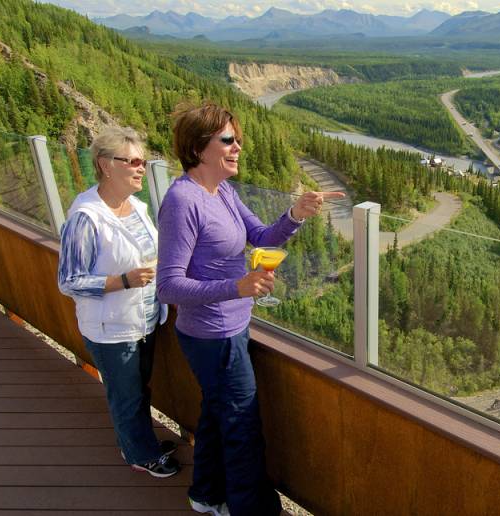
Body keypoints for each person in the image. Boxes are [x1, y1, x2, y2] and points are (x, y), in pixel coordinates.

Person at [157, 102, 344, 516]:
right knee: (242, 427)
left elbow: (259, 236)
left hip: (230, 327)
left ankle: (206, 494)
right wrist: (237, 286)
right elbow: (168, 286)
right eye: (228, 139)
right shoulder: (183, 202)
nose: (238, 146)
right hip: (214, 336)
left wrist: (295, 213)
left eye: (238, 139)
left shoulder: (220, 189)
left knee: (216, 412)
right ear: (198, 146)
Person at [58, 127, 180, 478]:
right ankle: (140, 454)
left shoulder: (137, 207)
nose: (142, 167)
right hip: (111, 327)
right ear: (106, 165)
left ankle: (136, 441)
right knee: (126, 395)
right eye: (133, 161)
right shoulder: (86, 218)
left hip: (143, 320)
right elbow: (69, 281)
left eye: (143, 161)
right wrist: (123, 281)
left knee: (137, 389)